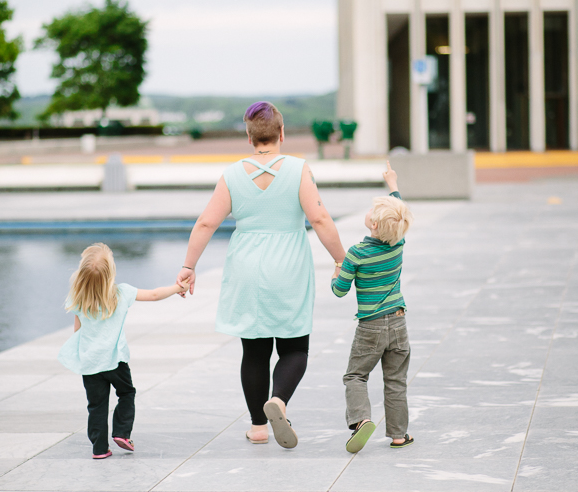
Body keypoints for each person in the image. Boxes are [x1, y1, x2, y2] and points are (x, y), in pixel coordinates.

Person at [176, 101, 346, 449]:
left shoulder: (232, 174)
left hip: (246, 269)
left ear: (249, 137)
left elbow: (207, 222)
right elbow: (320, 219)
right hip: (288, 268)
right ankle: (279, 400)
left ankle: (257, 426)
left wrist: (189, 266)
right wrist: (342, 259)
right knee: (295, 347)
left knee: (254, 353)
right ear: (282, 134)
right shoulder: (299, 169)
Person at [58, 243, 189, 459]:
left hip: (90, 364)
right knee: (126, 393)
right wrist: (178, 288)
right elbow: (155, 295)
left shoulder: (77, 297)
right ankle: (121, 433)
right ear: (111, 273)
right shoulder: (121, 293)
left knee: (96, 406)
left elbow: (77, 330)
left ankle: (99, 449)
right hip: (116, 362)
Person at [331, 161, 415, 453]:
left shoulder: (356, 253)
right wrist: (393, 184)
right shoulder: (398, 242)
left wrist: (337, 271)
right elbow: (399, 210)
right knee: (395, 380)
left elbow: (339, 291)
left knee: (355, 375)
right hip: (399, 322)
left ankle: (361, 420)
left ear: (374, 224)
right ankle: (399, 435)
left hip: (371, 326)